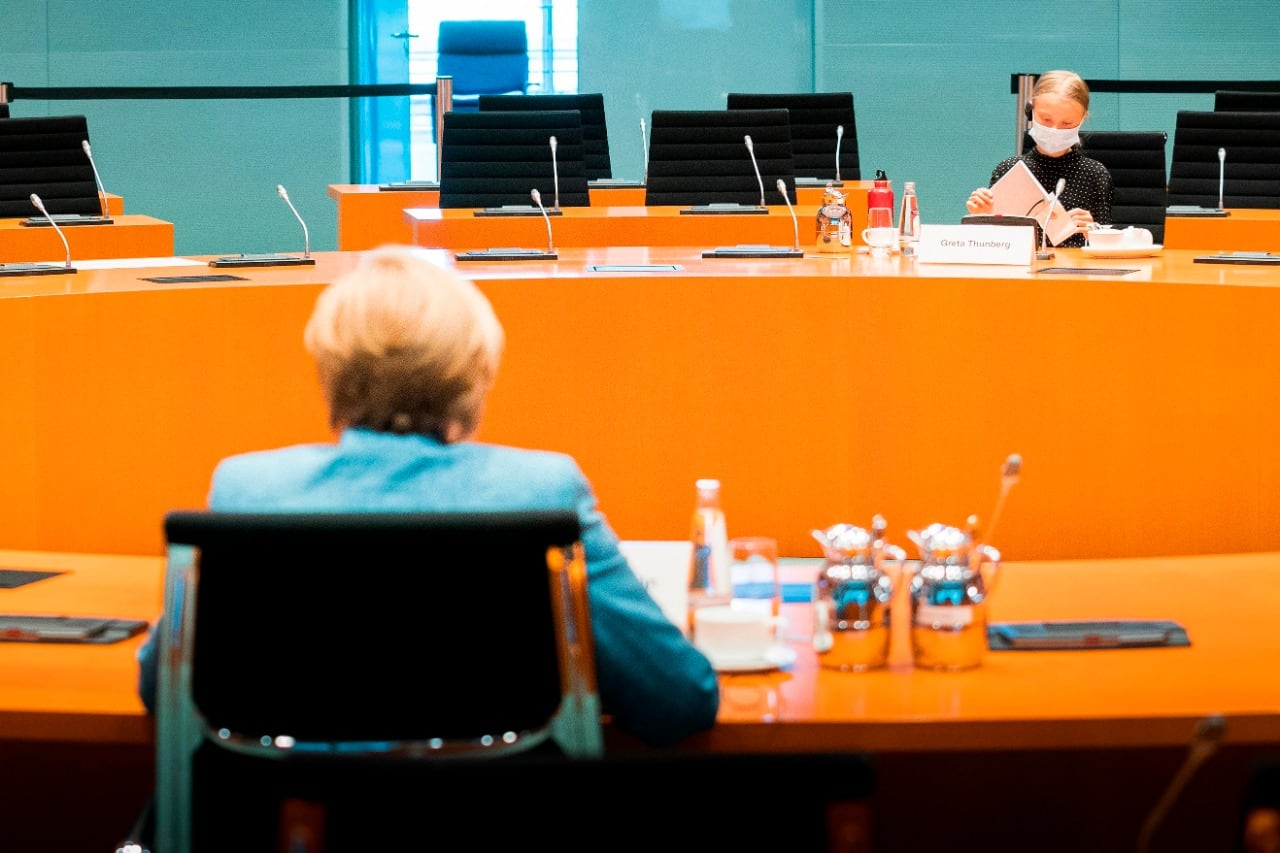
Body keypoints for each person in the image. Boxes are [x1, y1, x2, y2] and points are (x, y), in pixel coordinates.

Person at [137, 245, 720, 748]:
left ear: (330, 371)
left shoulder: (250, 491)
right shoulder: (541, 491)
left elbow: (160, 687)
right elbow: (677, 700)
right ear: (475, 372)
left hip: (300, 816)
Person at [966, 69, 1113, 248]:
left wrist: (1094, 231)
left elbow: (1109, 247)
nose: (1055, 130)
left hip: (1074, 265)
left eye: (1067, 124)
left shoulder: (1095, 175)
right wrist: (982, 217)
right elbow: (989, 245)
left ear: (1082, 119)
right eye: (1046, 120)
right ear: (1031, 112)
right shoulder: (1009, 169)